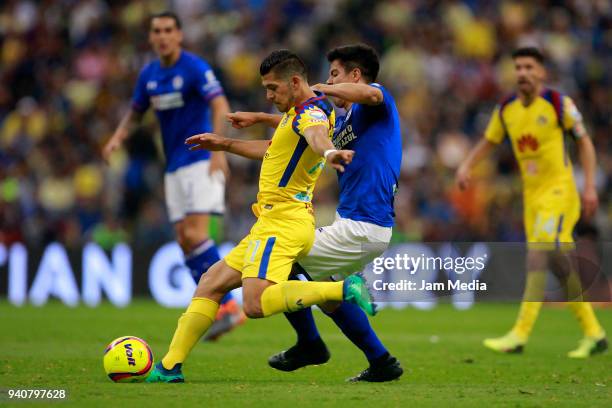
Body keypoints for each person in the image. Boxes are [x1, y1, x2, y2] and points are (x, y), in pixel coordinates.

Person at [146, 49, 376, 383]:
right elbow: (274, 148)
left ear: (295, 82)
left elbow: (316, 138)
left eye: (273, 88)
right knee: (211, 283)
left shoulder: (309, 116)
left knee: (253, 305)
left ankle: (341, 290)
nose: (268, 96)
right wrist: (225, 144)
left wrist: (329, 151)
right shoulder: (302, 110)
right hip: (273, 223)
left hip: (282, 224)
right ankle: (169, 367)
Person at [227, 44, 403, 382]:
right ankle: (382, 362)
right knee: (325, 292)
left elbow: (370, 94)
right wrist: (260, 119)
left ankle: (309, 343)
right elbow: (301, 129)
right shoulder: (342, 122)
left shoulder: (377, 100)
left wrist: (322, 88)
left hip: (365, 226)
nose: (327, 80)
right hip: (355, 224)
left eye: (334, 73)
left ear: (354, 75)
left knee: (286, 258)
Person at [456, 47, 607, 358]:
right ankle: (594, 333)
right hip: (533, 198)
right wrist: (467, 165)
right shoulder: (507, 108)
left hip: (560, 193)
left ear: (542, 73)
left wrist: (590, 186)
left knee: (539, 256)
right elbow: (489, 140)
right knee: (558, 264)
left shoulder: (557, 104)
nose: (522, 73)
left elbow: (586, 143)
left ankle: (519, 334)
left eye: (529, 67)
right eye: (518, 67)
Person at [101, 11, 243, 339]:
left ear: (179, 35)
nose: (163, 36)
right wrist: (117, 138)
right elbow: (135, 114)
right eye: (157, 31)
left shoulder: (194, 68)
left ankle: (227, 304)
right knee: (183, 239)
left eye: (168, 30)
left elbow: (220, 105)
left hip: (201, 158)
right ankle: (221, 307)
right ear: (151, 38)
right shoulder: (149, 75)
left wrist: (219, 149)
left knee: (195, 234)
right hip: (174, 166)